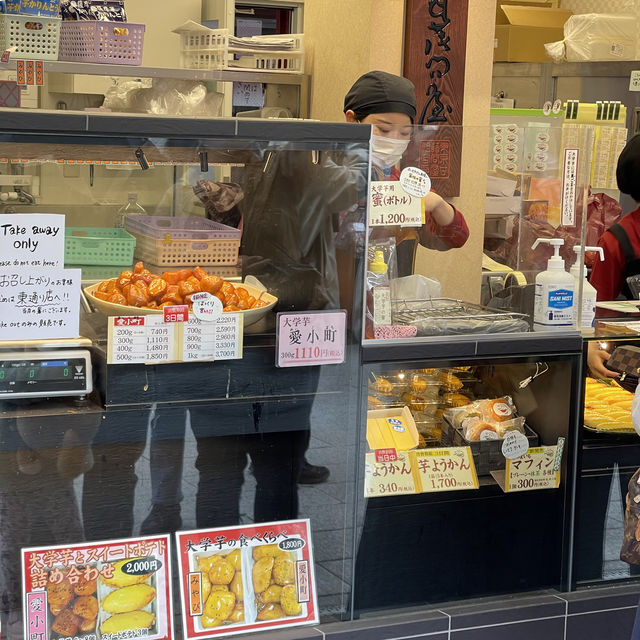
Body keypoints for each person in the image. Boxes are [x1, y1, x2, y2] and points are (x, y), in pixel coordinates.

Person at [343, 70, 469, 276]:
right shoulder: (328, 173)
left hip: (382, 292)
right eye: (383, 130)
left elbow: (455, 239)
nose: (394, 140)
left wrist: (438, 204)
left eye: (404, 133)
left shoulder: (402, 183)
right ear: (352, 120)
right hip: (328, 295)